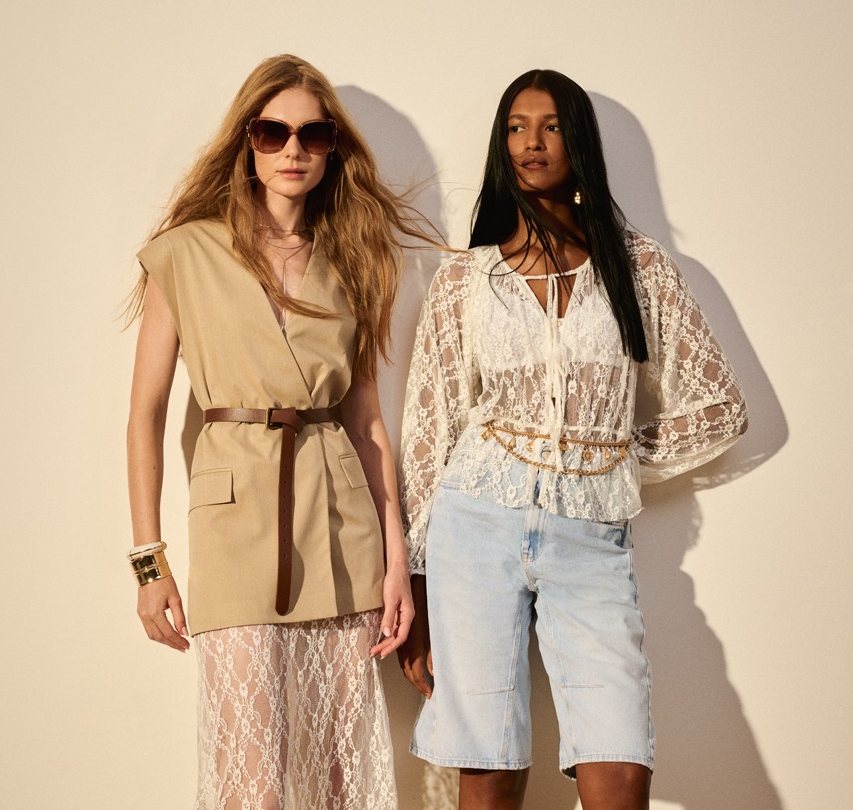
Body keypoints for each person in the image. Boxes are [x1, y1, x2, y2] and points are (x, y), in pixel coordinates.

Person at [397, 69, 749, 810]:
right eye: (516, 127)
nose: (532, 142)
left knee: (618, 765)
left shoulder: (639, 268)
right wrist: (418, 587)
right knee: (489, 764)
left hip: (590, 534)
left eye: (551, 125)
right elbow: (429, 433)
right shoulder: (467, 280)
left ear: (578, 140)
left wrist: (609, 456)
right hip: (474, 524)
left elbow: (720, 406)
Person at [125, 54, 419, 810]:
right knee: (251, 781)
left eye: (313, 135)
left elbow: (366, 422)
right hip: (233, 521)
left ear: (332, 149)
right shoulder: (185, 253)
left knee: (337, 780)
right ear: (247, 141)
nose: (293, 150)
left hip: (340, 522)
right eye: (273, 132)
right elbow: (145, 414)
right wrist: (149, 563)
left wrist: (398, 561)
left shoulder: (356, 258)